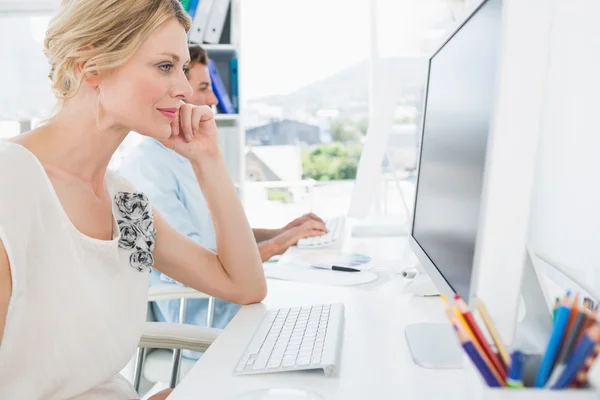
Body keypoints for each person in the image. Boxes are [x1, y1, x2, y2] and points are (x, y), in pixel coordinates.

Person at [0, 1, 267, 399]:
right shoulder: (11, 184)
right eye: (165, 66)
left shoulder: (127, 205)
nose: (183, 87)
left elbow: (243, 285)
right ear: (91, 66)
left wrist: (208, 160)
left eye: (182, 68)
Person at [118, 44, 328, 358]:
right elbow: (202, 261)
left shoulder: (184, 157)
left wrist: (281, 231)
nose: (214, 99)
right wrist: (280, 244)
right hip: (205, 314)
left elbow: (219, 239)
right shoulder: (146, 169)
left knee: (323, 316)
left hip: (235, 304)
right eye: (204, 88)